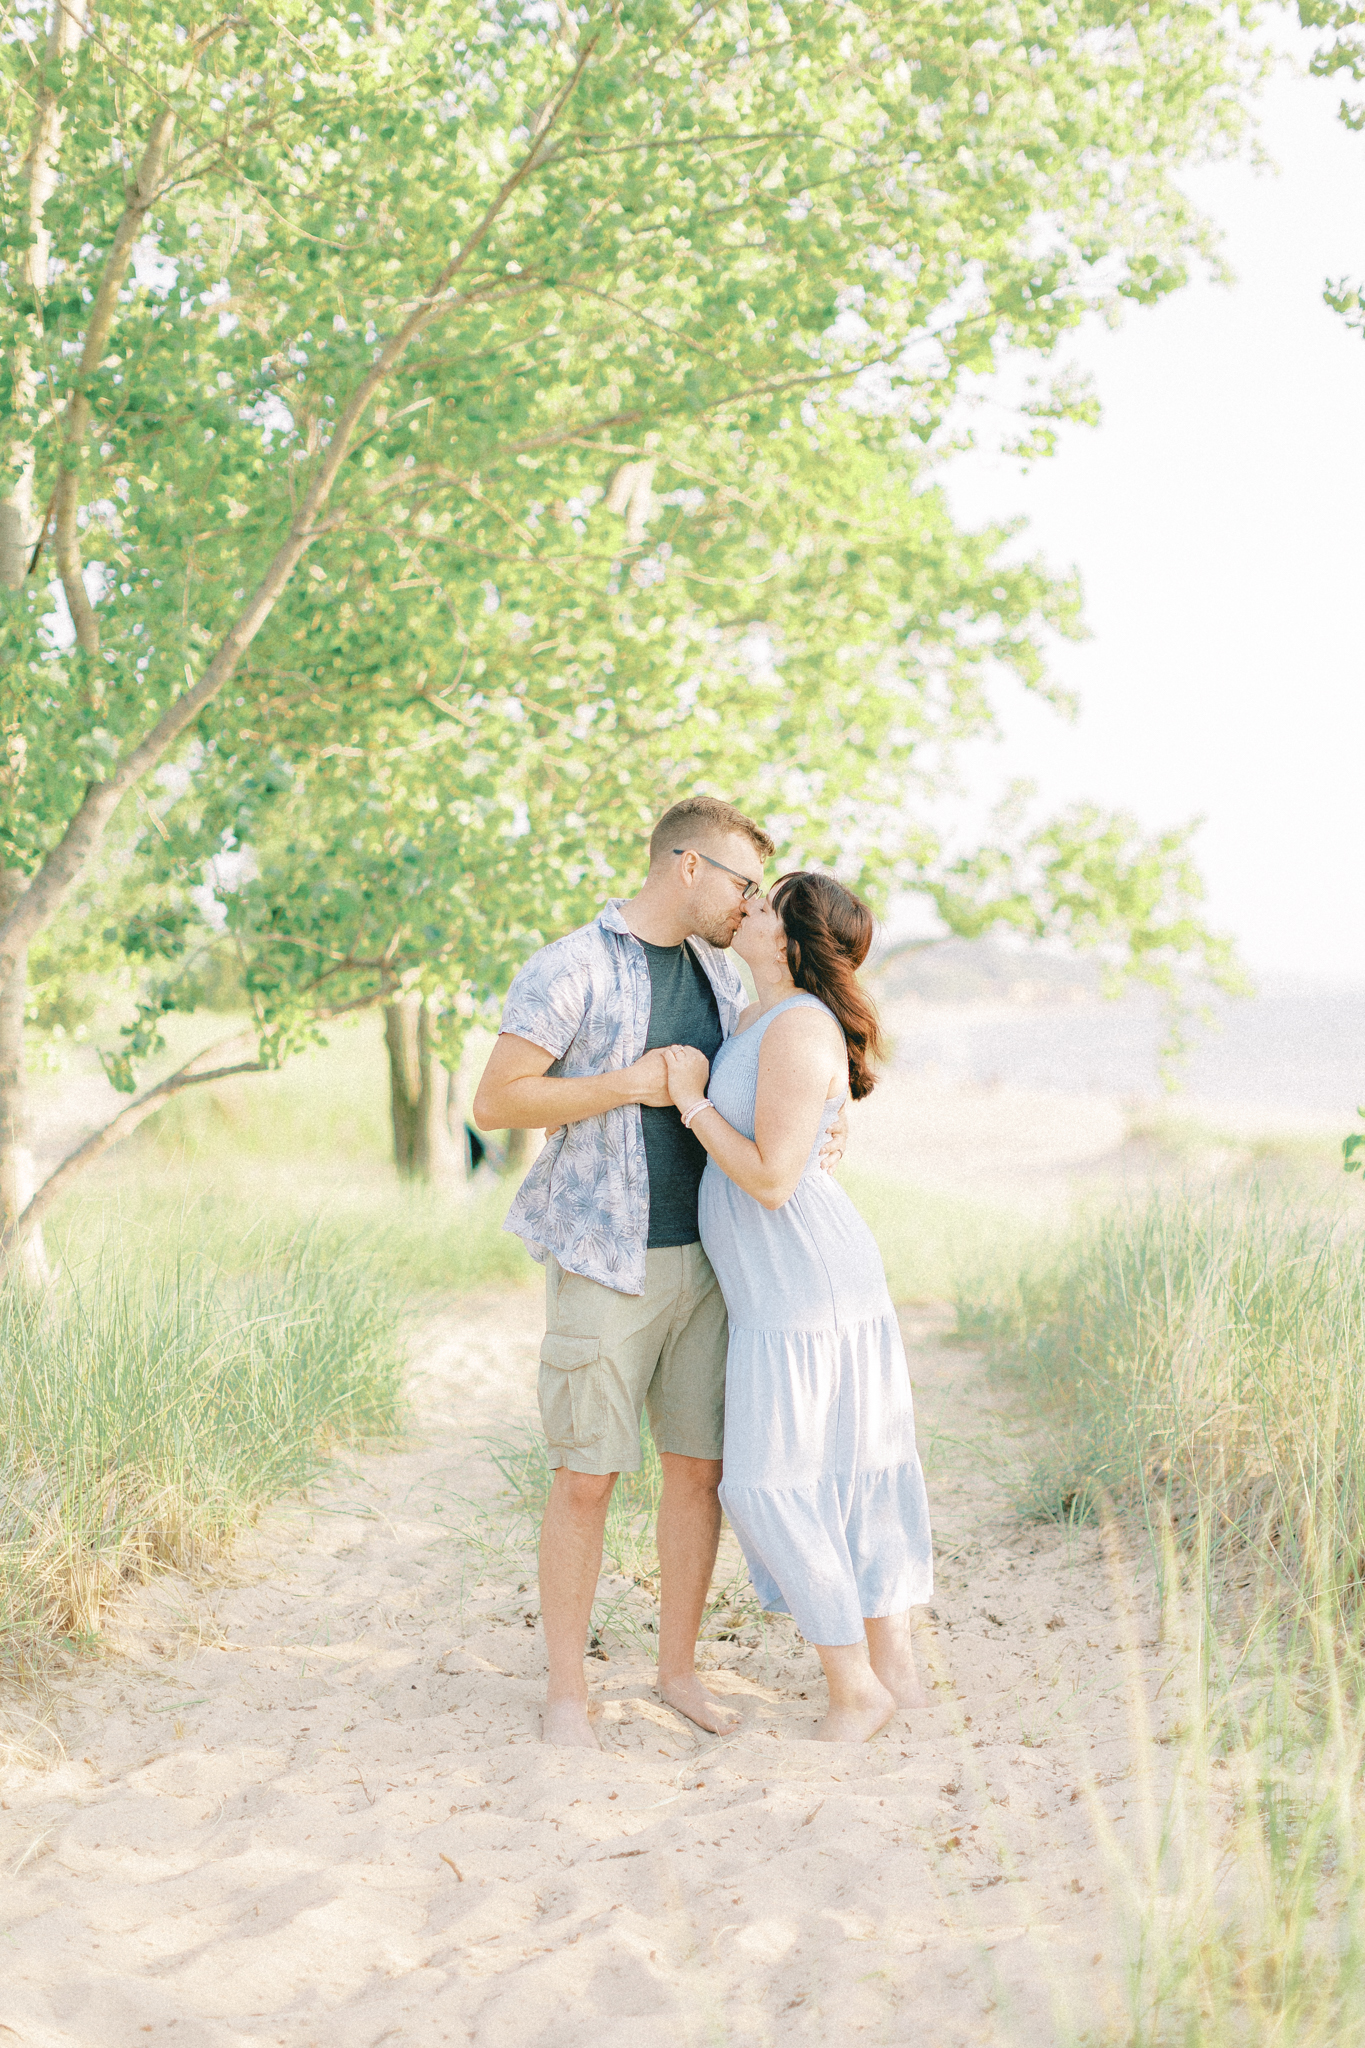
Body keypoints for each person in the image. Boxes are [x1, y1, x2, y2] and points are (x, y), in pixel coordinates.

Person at [472, 799, 847, 1748]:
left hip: (716, 1266)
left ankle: (676, 1672)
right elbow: (496, 1102)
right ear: (686, 866)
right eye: (741, 883)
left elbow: (782, 1075)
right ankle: (567, 1693)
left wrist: (828, 1121)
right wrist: (626, 1085)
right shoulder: (572, 967)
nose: (749, 904)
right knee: (585, 1479)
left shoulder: (724, 979)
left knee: (699, 1476)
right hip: (605, 1262)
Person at [659, 871, 933, 1742]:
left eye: (769, 904)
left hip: (804, 1287)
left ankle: (854, 1687)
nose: (749, 908)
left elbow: (774, 1181)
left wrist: (691, 1103)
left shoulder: (799, 1024)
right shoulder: (755, 1017)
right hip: (783, 1286)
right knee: (843, 1471)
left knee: (768, 1482)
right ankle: (894, 1671)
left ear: (791, 939)